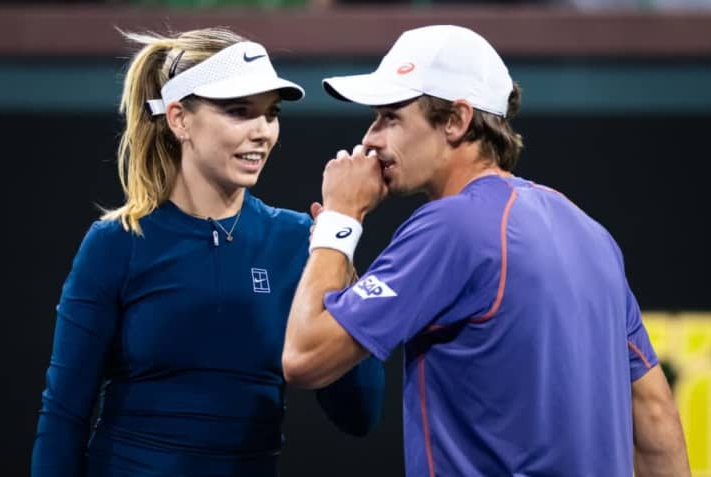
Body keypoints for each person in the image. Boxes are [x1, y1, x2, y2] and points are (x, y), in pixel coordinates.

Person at [282, 25, 690, 476]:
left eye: (391, 117)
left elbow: (304, 356)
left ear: (456, 120)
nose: (372, 138)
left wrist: (341, 218)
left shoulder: (453, 226)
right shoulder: (591, 234)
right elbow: (654, 414)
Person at [31, 27, 384, 477]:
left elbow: (358, 414)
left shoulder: (301, 240)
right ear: (179, 119)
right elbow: (64, 414)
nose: (262, 132)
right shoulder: (116, 242)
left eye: (271, 114)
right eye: (239, 112)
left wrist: (340, 258)